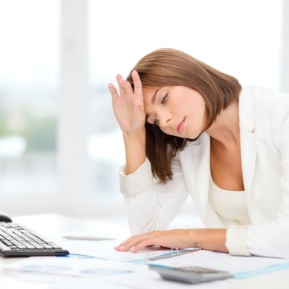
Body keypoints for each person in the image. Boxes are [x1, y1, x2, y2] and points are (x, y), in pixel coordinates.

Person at [108, 48, 289, 259]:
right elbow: (144, 235)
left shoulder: (281, 115)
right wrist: (133, 134)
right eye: (154, 120)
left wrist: (191, 236)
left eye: (164, 98)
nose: (164, 120)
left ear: (189, 75)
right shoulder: (188, 148)